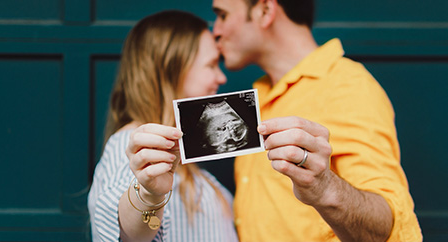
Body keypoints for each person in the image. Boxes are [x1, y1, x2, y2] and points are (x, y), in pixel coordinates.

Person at [212, 0, 422, 241]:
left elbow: (386, 226)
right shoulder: (256, 100)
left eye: (223, 15)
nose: (215, 30)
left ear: (265, 10)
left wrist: (324, 189)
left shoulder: (347, 86)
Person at [87, 10, 238, 242]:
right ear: (171, 70)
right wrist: (149, 194)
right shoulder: (133, 147)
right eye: (211, 65)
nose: (221, 77)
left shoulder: (182, 159)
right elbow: (128, 232)